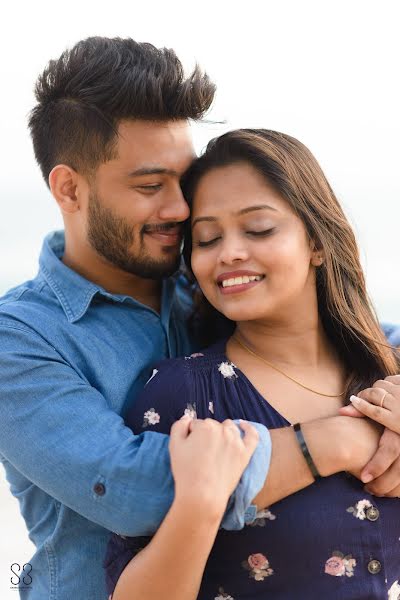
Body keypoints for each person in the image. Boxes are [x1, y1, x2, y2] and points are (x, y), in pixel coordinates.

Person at [0, 37, 398, 600]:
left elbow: (340, 338)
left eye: (183, 183)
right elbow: (135, 492)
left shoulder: (212, 282)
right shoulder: (17, 340)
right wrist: (335, 440)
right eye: (149, 186)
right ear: (69, 188)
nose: (182, 210)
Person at [104, 129, 400, 599]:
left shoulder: (389, 375)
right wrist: (200, 506)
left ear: (318, 242)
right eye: (206, 239)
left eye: (259, 229)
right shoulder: (183, 396)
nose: (230, 253)